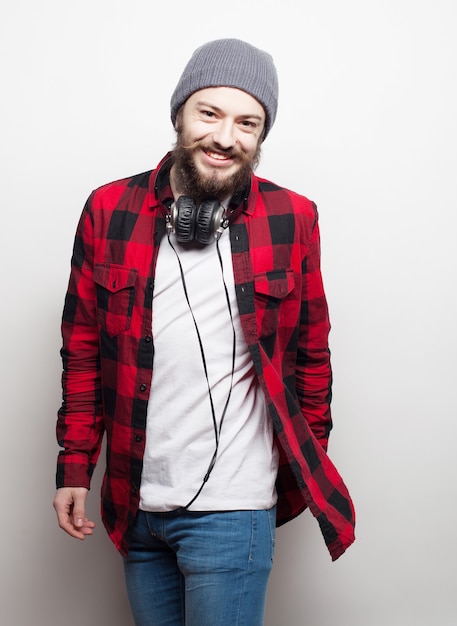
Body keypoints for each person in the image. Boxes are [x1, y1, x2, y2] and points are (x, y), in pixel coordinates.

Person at [53, 38, 356, 626]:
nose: (226, 137)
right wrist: (74, 465)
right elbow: (83, 351)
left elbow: (312, 357)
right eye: (209, 113)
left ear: (262, 136)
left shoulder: (294, 217)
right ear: (179, 115)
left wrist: (300, 458)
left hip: (232, 509)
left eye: (248, 122)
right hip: (135, 500)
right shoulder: (108, 208)